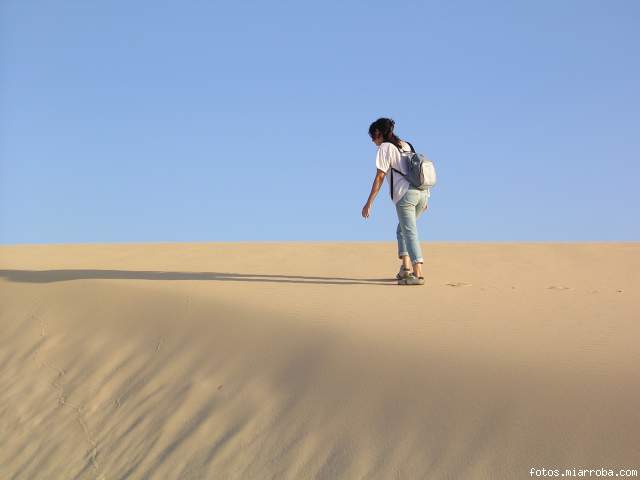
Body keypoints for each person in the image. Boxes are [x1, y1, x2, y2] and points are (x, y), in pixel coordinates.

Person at [361, 118, 429, 285]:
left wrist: (369, 202)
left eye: (372, 136)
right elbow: (418, 169)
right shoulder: (407, 145)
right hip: (422, 193)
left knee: (409, 232)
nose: (372, 140)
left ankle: (417, 274)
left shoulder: (385, 147)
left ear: (379, 133)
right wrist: (426, 196)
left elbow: (380, 176)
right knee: (402, 230)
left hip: (405, 195)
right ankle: (405, 269)